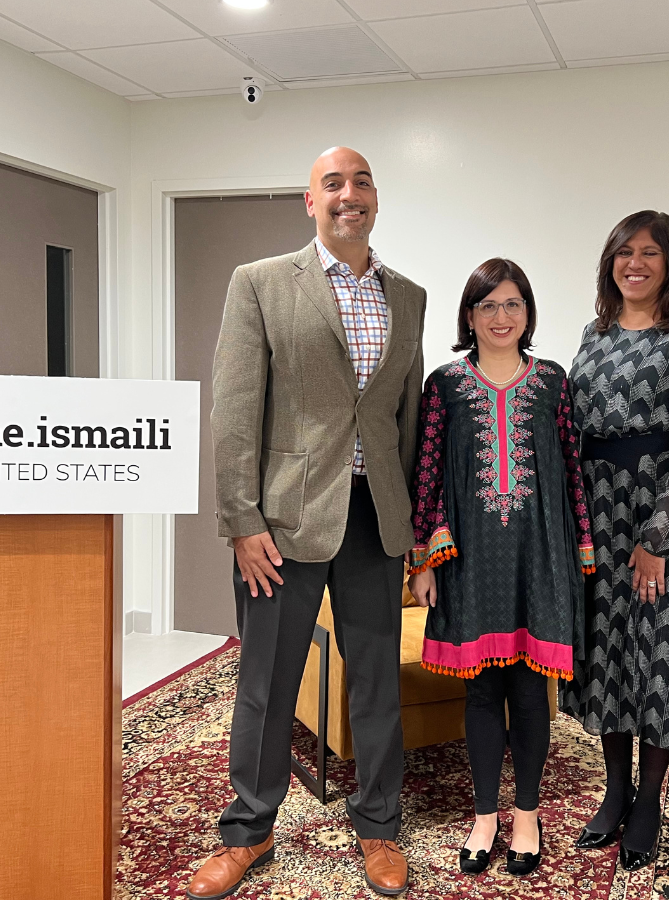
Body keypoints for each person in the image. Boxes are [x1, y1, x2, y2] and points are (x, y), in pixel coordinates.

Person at [187, 147, 427, 900]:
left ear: (376, 201)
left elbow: (409, 418)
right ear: (310, 200)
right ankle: (247, 831)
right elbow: (233, 411)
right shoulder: (260, 283)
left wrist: (415, 528)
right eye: (333, 184)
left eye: (360, 184)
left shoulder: (408, 296)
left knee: (376, 684)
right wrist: (241, 519)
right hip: (282, 525)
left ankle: (379, 827)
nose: (347, 196)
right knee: (266, 681)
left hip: (375, 519)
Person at [407, 258, 594, 878]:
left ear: (528, 313)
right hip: (469, 558)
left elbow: (572, 470)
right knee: (482, 690)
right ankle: (484, 814)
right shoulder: (447, 385)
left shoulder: (553, 382)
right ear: (469, 315)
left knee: (529, 692)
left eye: (512, 304)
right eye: (487, 305)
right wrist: (424, 560)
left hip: (539, 556)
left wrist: (582, 549)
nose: (500, 317)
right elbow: (427, 473)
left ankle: (527, 814)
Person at [560, 210, 669, 871]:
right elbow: (572, 426)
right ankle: (616, 791)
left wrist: (658, 534)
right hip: (598, 518)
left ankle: (651, 798)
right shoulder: (594, 333)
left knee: (657, 660)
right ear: (610, 262)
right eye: (623, 252)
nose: (635, 262)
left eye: (649, 253)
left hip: (666, 523)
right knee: (609, 657)